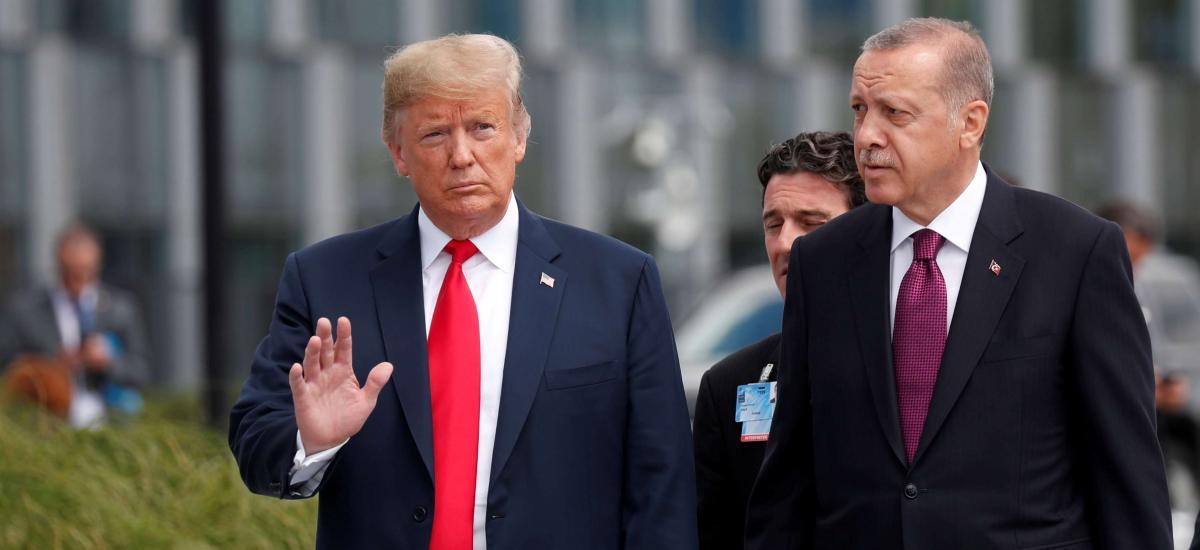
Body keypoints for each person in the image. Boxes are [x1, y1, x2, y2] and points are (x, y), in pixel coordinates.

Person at [228, 34, 697, 549]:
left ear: (518, 138)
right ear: (398, 153)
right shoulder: (325, 278)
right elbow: (256, 438)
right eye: (434, 134)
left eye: (482, 128)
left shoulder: (617, 281)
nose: (461, 155)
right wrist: (313, 440)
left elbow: (663, 484)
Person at [746, 18, 1171, 549]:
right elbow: (788, 479)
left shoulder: (1075, 251)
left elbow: (1126, 477)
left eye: (894, 113)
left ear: (970, 123)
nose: (867, 136)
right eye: (859, 109)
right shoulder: (823, 261)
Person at [692, 131, 864, 550]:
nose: (786, 243)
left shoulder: (919, 365)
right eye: (774, 225)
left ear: (867, 232)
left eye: (811, 222)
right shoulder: (728, 385)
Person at [0, 222, 148, 426]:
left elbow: (140, 371)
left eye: (85, 271)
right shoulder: (25, 311)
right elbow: (8, 368)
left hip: (110, 422)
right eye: (69, 272)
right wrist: (51, 367)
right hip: (48, 424)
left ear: (97, 267)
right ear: (58, 265)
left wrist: (108, 362)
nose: (77, 281)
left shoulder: (120, 309)